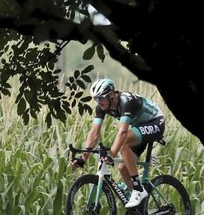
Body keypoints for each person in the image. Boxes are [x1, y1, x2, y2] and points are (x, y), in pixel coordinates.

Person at [71, 77, 166, 208]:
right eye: (96, 99)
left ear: (111, 96)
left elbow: (122, 132)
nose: (98, 102)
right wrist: (83, 158)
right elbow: (94, 133)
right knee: (122, 168)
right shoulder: (101, 107)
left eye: (101, 98)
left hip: (155, 123)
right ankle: (140, 209)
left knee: (124, 141)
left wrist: (112, 154)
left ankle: (138, 190)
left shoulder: (126, 101)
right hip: (139, 129)